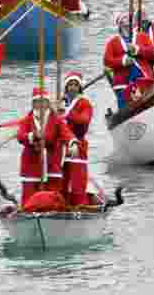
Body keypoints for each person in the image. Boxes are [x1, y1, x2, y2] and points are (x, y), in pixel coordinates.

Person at [17, 88, 73, 206]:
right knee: (29, 197)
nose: (41, 105)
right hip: (31, 165)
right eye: (38, 102)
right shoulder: (27, 120)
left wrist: (73, 143)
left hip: (52, 164)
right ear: (33, 104)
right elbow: (20, 136)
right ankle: (28, 213)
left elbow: (66, 133)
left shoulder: (56, 120)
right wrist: (33, 135)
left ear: (48, 103)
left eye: (44, 102)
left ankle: (53, 215)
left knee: (53, 197)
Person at [103, 13, 154, 109]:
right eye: (123, 20)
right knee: (124, 107)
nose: (126, 22)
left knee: (150, 105)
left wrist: (138, 50)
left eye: (128, 19)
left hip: (144, 80)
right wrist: (123, 61)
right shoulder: (113, 42)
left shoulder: (142, 37)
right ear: (119, 24)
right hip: (122, 84)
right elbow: (107, 61)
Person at [61, 72, 93, 207]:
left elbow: (84, 120)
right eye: (70, 85)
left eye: (75, 85)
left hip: (78, 145)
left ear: (80, 88)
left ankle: (80, 205)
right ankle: (61, 204)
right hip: (61, 147)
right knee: (61, 180)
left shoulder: (85, 104)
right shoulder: (60, 103)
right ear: (66, 87)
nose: (72, 88)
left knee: (77, 181)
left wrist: (67, 112)